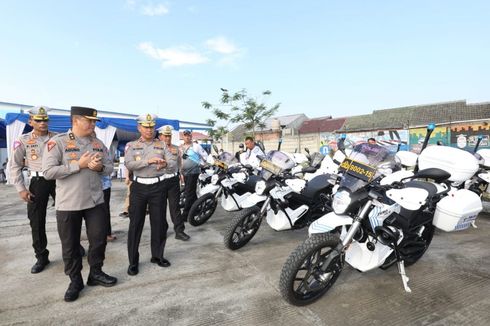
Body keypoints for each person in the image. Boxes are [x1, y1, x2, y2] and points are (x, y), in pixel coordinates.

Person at [42, 106, 117, 302]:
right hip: (69, 203)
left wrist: (100, 167)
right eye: (89, 121)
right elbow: (48, 172)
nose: (93, 125)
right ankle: (75, 280)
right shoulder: (57, 142)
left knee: (99, 240)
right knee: (70, 246)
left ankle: (96, 273)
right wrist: (79, 165)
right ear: (75, 121)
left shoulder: (98, 143)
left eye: (94, 122)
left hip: (95, 201)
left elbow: (109, 167)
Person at [10, 106, 57, 273]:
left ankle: (74, 247)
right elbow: (14, 165)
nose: (42, 123)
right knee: (36, 221)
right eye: (38, 120)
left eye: (45, 119)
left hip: (59, 181)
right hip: (38, 182)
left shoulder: (58, 138)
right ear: (30, 121)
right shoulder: (23, 140)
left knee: (69, 217)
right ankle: (41, 256)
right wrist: (21, 188)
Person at [125, 113, 172, 276]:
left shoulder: (162, 144)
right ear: (139, 127)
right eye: (146, 126)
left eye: (152, 126)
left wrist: (165, 163)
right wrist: (148, 161)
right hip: (139, 187)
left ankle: (158, 256)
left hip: (158, 186)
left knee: (159, 224)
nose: (149, 130)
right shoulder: (131, 145)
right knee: (135, 225)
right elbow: (129, 163)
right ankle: (133, 261)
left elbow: (172, 162)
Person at [158, 125, 190, 241]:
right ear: (160, 136)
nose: (168, 138)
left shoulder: (176, 149)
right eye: (165, 136)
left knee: (175, 207)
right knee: (160, 208)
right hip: (160, 180)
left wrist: (180, 175)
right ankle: (161, 231)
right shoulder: (156, 148)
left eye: (169, 136)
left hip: (173, 180)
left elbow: (179, 163)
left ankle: (179, 231)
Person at [180, 129, 208, 222]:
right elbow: (180, 160)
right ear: (183, 137)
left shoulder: (196, 146)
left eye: (188, 135)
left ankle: (185, 214)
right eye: (185, 135)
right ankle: (198, 209)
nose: (187, 137)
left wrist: (204, 163)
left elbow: (205, 156)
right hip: (185, 173)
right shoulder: (181, 147)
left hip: (194, 172)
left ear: (191, 137)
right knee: (191, 193)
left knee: (189, 193)